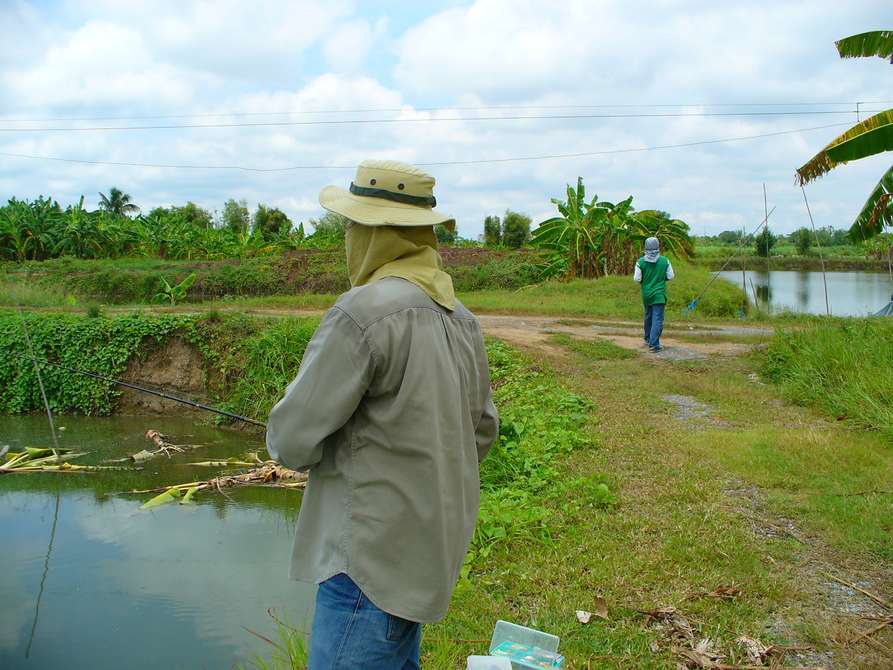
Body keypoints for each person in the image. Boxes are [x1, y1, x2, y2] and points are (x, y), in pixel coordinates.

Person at [266, 159, 500, 670]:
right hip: (424, 552)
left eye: (353, 225)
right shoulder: (461, 318)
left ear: (373, 233)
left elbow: (292, 438)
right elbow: (482, 430)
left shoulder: (361, 313)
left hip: (365, 563)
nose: (349, 235)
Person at [633, 236, 675, 352]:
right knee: (657, 319)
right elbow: (671, 276)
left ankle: (648, 339)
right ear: (658, 247)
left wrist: (646, 281)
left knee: (648, 316)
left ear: (645, 247)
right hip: (659, 295)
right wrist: (661, 278)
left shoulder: (640, 262)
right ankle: (654, 345)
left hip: (646, 294)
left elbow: (637, 279)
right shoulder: (665, 260)